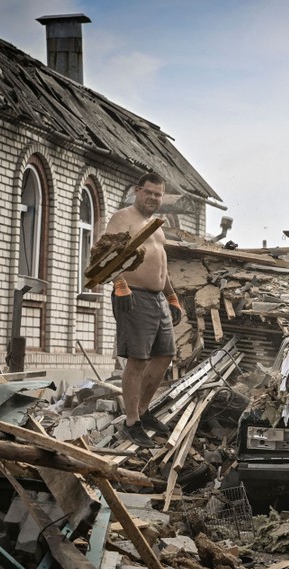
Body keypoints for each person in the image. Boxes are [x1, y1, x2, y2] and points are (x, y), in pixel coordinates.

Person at [103, 172, 183, 449]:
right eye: (148, 192)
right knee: (137, 360)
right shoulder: (123, 218)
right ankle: (131, 421)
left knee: (165, 355)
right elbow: (102, 253)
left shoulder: (156, 226)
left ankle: (144, 411)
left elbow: (161, 265)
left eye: (158, 194)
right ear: (138, 191)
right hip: (132, 296)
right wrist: (119, 283)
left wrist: (172, 296)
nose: (153, 198)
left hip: (157, 297)